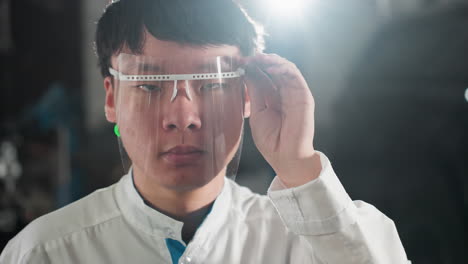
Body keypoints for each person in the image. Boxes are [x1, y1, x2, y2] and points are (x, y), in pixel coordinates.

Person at [0, 0, 410, 263]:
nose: (184, 116)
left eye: (212, 84)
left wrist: (300, 166)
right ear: (111, 98)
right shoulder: (47, 253)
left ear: (248, 93)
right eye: (148, 85)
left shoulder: (309, 243)